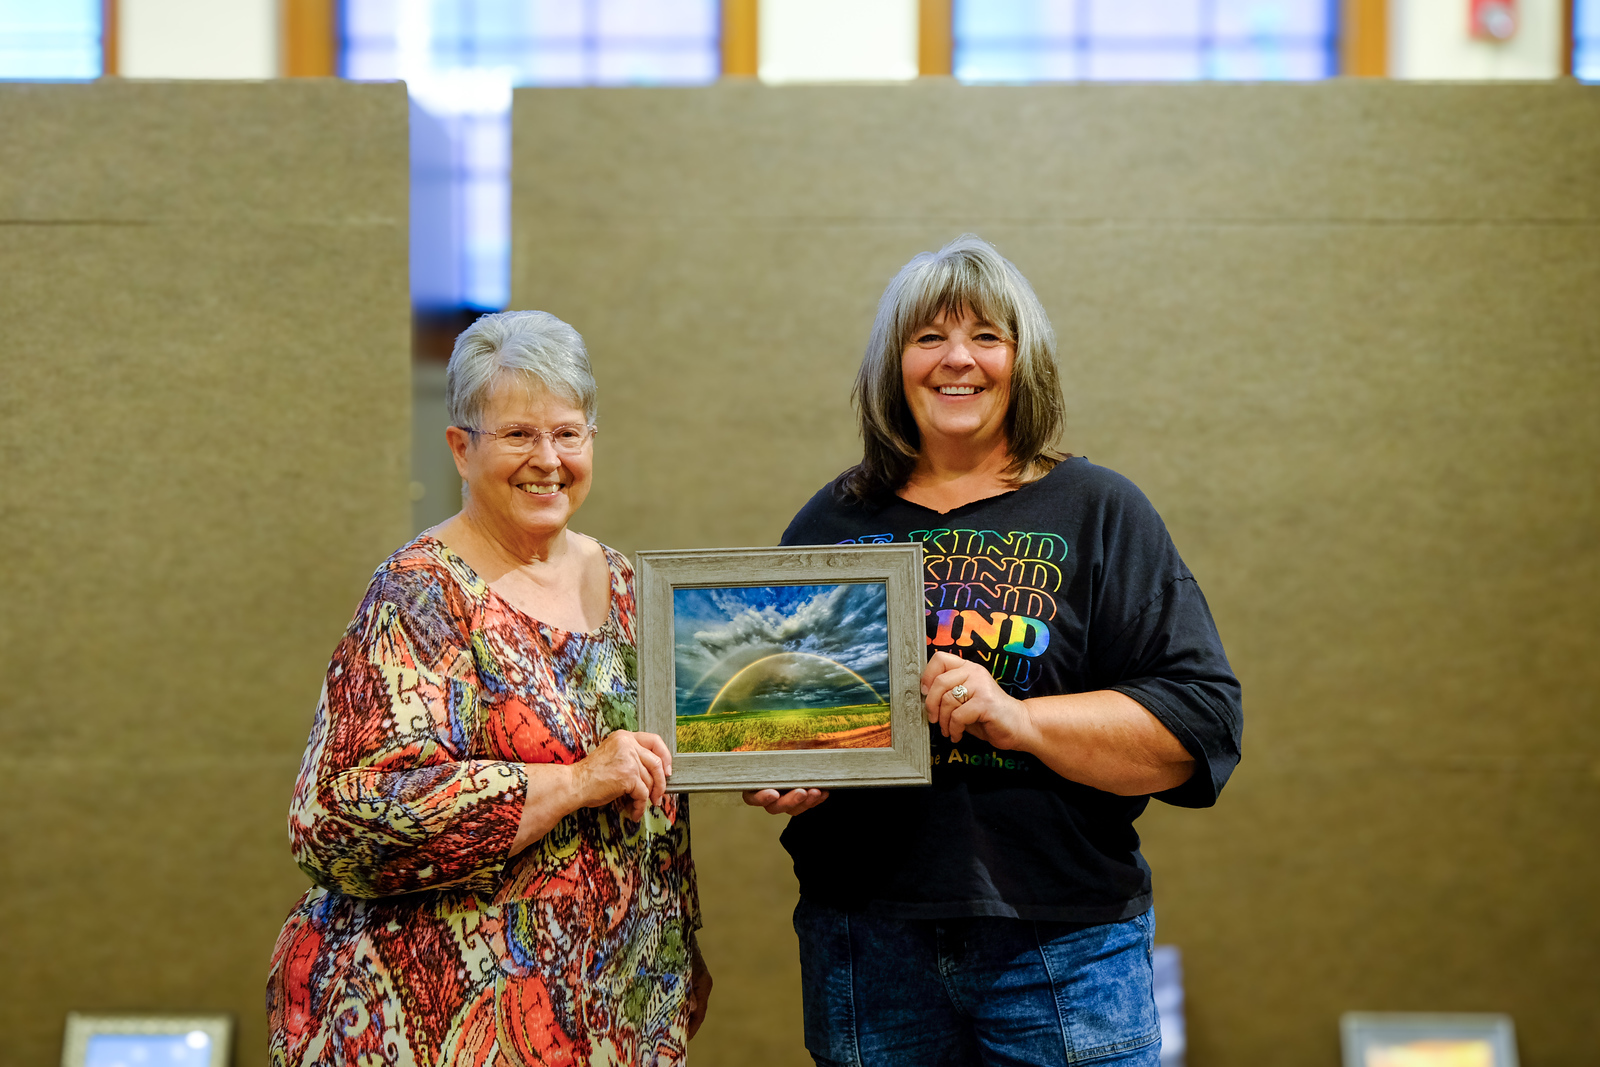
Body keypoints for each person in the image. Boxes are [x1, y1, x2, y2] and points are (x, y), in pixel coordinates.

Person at [745, 235, 1242, 1067]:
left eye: (986, 336)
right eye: (928, 337)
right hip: (867, 945)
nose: (957, 360)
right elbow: (785, 710)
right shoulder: (834, 523)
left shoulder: (1099, 511)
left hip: (1064, 950)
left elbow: (1197, 725)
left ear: (1023, 359)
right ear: (893, 363)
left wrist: (1019, 718)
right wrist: (784, 759)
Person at [267, 310, 710, 1067]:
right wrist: (572, 781)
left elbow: (661, 783)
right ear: (460, 448)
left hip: (615, 1010)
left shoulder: (633, 584)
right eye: (518, 434)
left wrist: (682, 939)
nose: (549, 459)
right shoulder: (418, 595)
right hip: (443, 1022)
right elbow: (335, 818)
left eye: (568, 432)